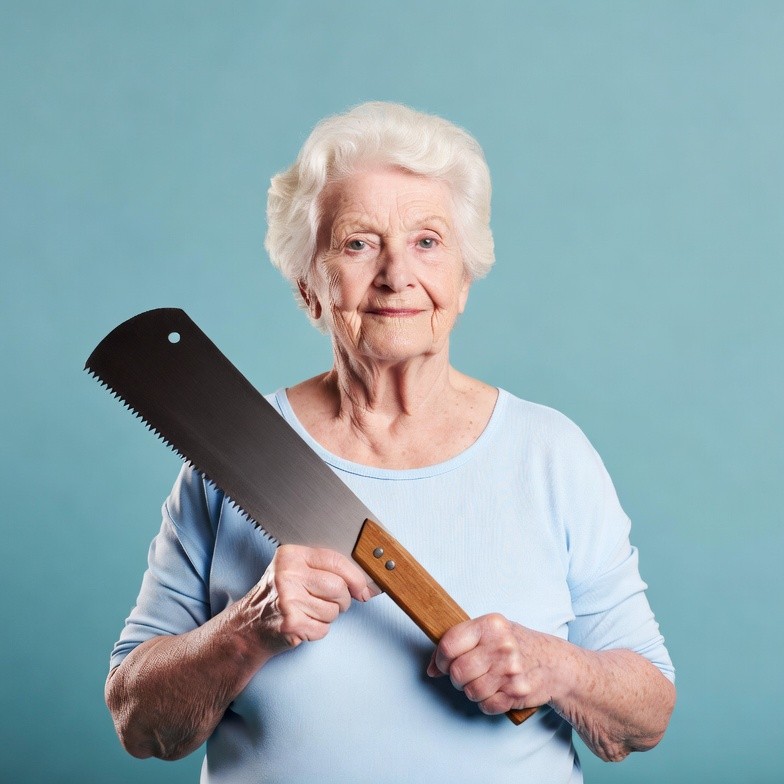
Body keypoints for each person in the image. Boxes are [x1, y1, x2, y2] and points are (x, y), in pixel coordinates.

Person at [105, 102, 675, 782]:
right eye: (358, 243)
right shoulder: (228, 458)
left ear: (463, 281)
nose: (397, 274)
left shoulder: (550, 453)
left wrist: (558, 667)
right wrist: (245, 630)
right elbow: (140, 725)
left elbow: (647, 715)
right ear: (309, 288)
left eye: (428, 242)